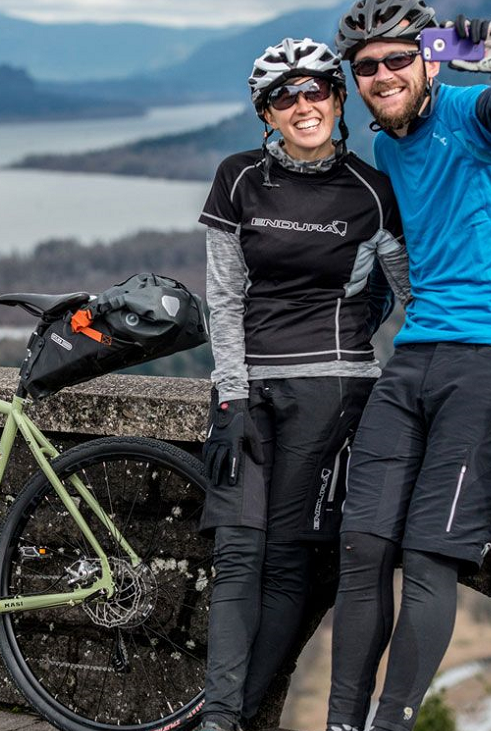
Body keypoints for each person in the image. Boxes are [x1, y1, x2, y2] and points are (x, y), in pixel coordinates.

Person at [326, 3, 491, 731]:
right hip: (417, 352)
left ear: (428, 58)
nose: (383, 75)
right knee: (362, 545)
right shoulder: (388, 148)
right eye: (367, 67)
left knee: (429, 555)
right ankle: (340, 723)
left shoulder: (469, 114)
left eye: (397, 59)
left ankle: (388, 723)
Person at [195, 37, 411, 731]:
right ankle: (220, 719)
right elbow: (224, 299)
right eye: (284, 96)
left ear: (339, 98)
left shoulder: (372, 191)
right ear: (266, 112)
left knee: (287, 562)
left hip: (335, 390)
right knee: (236, 555)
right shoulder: (238, 178)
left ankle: (234, 714)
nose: (303, 104)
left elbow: (416, 291)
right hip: (249, 389)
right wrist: (231, 396)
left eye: (316, 89)